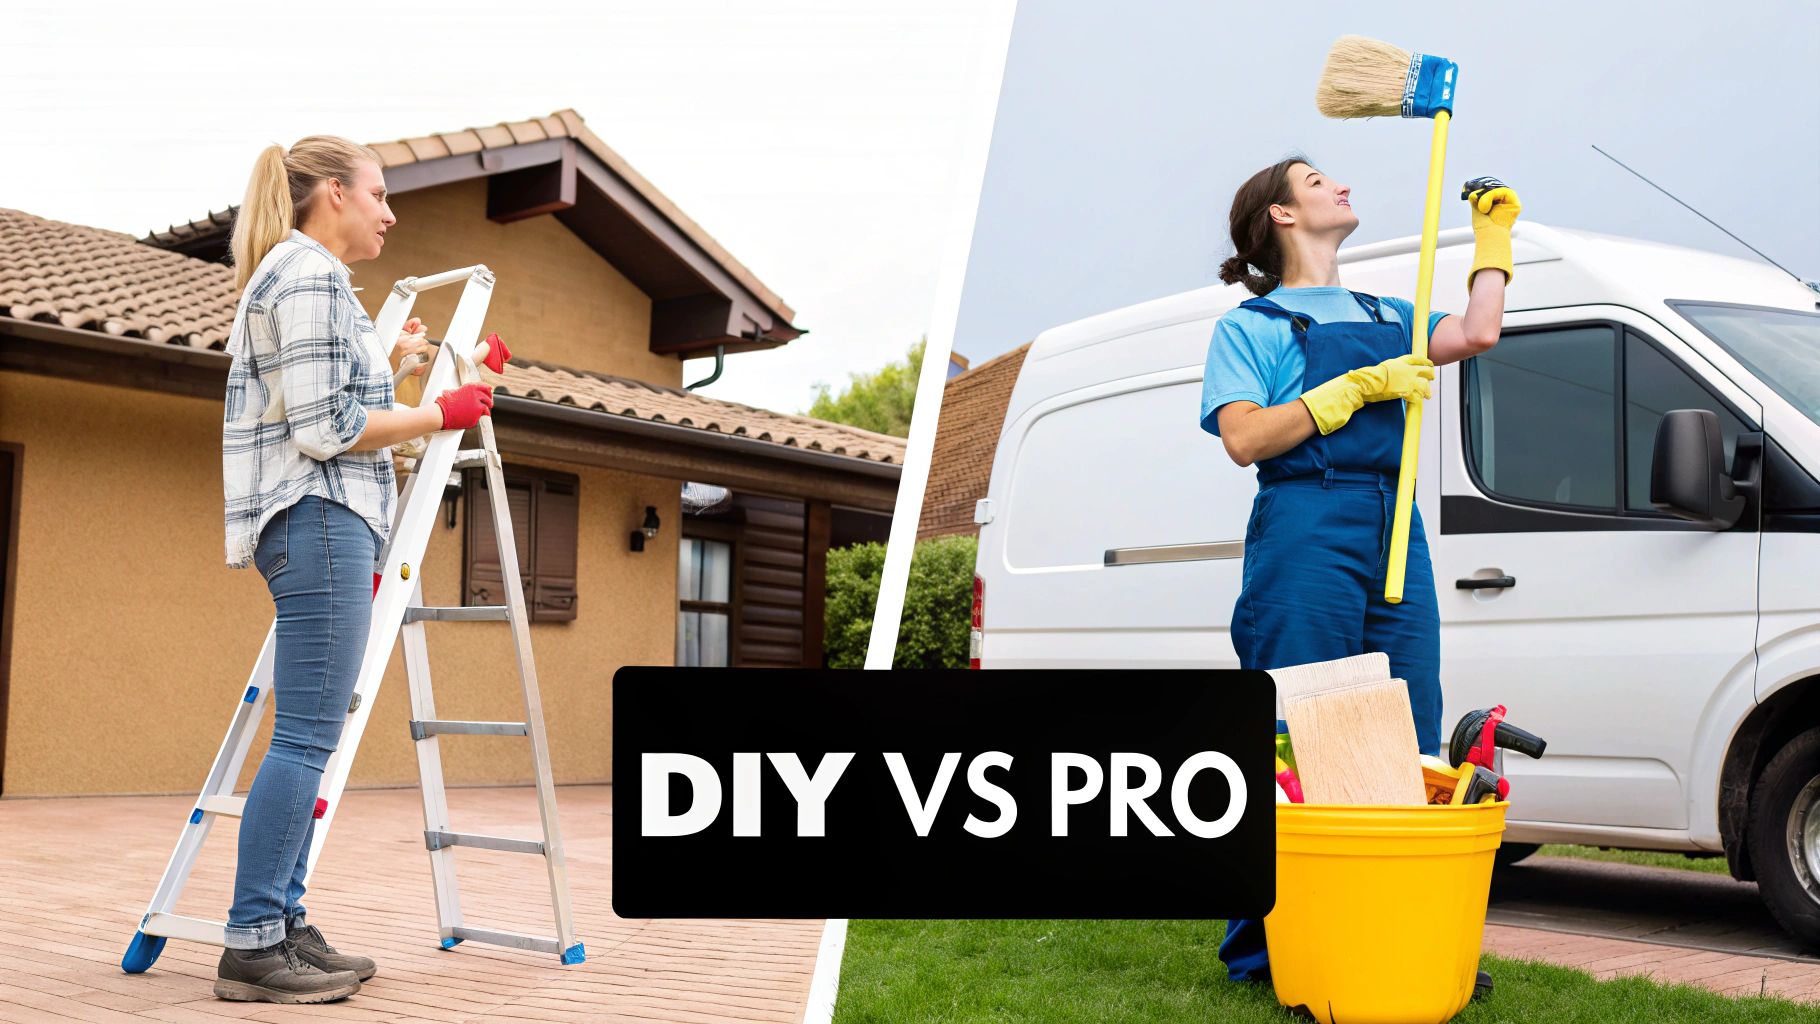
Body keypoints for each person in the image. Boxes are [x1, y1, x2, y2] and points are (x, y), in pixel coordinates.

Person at [1199, 156, 1521, 984]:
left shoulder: (1388, 308)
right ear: (1280, 215)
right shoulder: (1255, 325)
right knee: (1295, 734)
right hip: (1307, 519)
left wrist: (1495, 238)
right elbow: (1243, 439)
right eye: (1315, 181)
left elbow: (1477, 332)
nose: (1339, 185)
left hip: (1392, 517)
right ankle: (1271, 950)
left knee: (1410, 728)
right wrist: (1345, 394)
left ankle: (1401, 927)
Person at [216, 136, 506, 1003]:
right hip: (320, 521)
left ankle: (281, 921)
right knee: (307, 737)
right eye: (379, 196)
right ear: (332, 193)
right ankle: (253, 942)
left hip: (321, 519)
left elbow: (331, 404)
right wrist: (437, 412)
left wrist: (398, 368)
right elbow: (325, 428)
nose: (389, 213)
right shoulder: (305, 277)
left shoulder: (308, 280)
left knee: (313, 734)